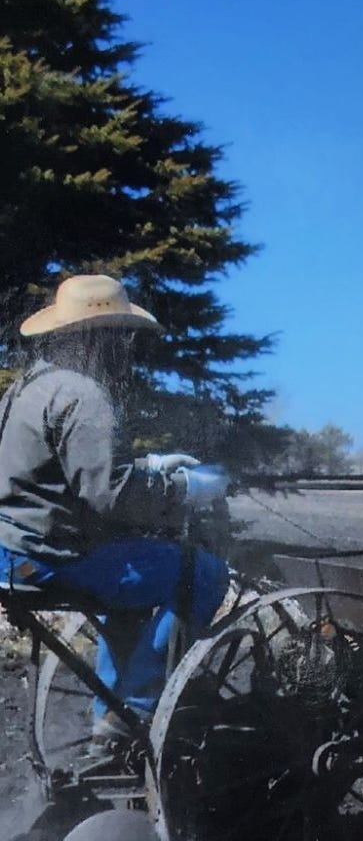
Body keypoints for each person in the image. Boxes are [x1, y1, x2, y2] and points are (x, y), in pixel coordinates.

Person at [0, 274, 231, 757]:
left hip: (12, 551)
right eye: (120, 336)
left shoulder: (29, 388)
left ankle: (114, 717)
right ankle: (142, 707)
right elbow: (113, 495)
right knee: (202, 571)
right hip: (49, 555)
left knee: (129, 588)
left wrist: (152, 465)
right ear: (97, 337)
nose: (127, 347)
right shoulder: (85, 396)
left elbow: (63, 472)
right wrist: (188, 487)